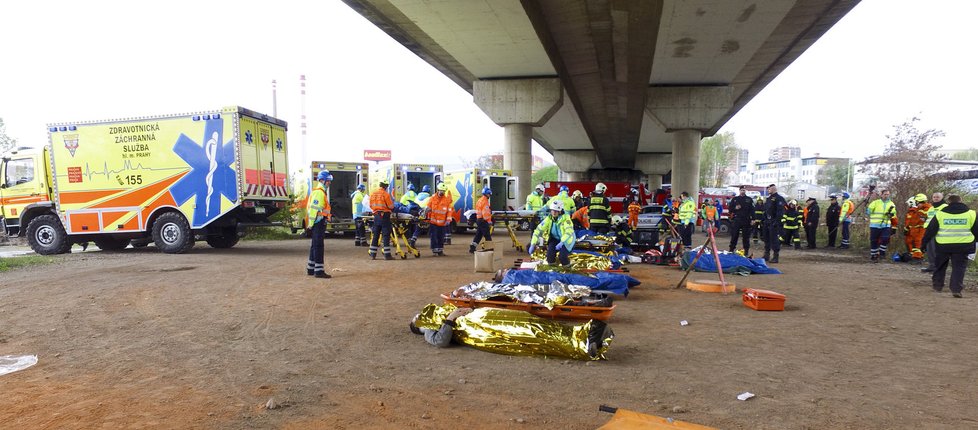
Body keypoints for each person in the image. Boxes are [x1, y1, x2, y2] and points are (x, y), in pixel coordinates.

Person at [409, 304, 613, 360]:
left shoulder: (436, 311)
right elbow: (440, 341)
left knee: (530, 320)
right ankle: (584, 345)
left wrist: (466, 310)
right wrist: (450, 319)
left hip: (482, 315)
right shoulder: (428, 327)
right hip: (480, 328)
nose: (418, 314)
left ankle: (586, 331)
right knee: (530, 332)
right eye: (415, 318)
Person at [920, 194, 977, 298]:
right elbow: (976, 230)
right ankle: (956, 289)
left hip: (943, 245)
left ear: (948, 202)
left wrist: (924, 243)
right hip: (963, 245)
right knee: (958, 268)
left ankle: (937, 286)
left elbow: (930, 230)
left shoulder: (940, 214)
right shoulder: (971, 214)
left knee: (940, 266)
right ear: (961, 200)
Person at [528, 199, 576, 266]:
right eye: (552, 210)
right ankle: (553, 271)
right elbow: (538, 230)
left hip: (567, 240)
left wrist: (562, 242)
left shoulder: (566, 219)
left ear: (560, 211)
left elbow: (569, 232)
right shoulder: (549, 218)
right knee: (550, 257)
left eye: (556, 211)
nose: (554, 212)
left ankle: (567, 270)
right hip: (555, 239)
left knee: (563, 257)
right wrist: (533, 244)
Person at [306, 170, 332, 278]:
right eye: (328, 181)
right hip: (318, 222)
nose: (329, 183)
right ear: (322, 180)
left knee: (315, 245)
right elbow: (314, 210)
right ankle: (319, 271)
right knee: (318, 246)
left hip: (318, 221)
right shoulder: (319, 192)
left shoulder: (319, 191)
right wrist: (312, 224)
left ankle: (311, 268)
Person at [866, 189, 897, 263]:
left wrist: (891, 214)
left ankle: (882, 253)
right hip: (874, 225)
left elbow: (894, 214)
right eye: (885, 194)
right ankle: (874, 255)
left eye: (888, 194)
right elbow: (868, 211)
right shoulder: (875, 202)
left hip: (886, 224)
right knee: (874, 240)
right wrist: (869, 211)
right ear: (881, 195)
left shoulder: (892, 204)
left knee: (885, 238)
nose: (886, 196)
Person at [369, 181, 395, 260]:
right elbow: (391, 206)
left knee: (376, 235)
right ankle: (387, 255)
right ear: (385, 187)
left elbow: (370, 205)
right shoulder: (385, 194)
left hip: (376, 215)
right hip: (384, 216)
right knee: (386, 235)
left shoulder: (373, 194)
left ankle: (373, 254)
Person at [426, 182, 453, 256]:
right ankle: (435, 251)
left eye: (444, 191)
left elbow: (449, 210)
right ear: (438, 190)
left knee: (441, 237)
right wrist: (426, 211)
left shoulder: (446, 200)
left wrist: (448, 219)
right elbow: (428, 207)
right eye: (441, 190)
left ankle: (440, 251)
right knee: (433, 236)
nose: (442, 192)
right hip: (433, 222)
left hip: (442, 223)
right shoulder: (432, 198)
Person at [922, 192, 947, 273]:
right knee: (930, 249)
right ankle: (932, 265)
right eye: (934, 197)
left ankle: (937, 267)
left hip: (938, 231)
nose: (936, 198)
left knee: (936, 250)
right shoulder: (931, 208)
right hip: (929, 231)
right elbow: (930, 218)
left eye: (938, 197)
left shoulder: (945, 207)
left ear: (942, 198)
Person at [763, 184, 787, 263]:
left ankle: (775, 256)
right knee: (766, 238)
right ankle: (766, 254)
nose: (768, 190)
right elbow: (766, 210)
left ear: (773, 189)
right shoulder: (769, 198)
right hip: (767, 221)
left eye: (769, 189)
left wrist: (776, 221)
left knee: (774, 239)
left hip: (774, 222)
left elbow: (780, 211)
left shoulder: (779, 198)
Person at [728, 186, 754, 254]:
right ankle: (731, 249)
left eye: (744, 190)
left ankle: (746, 250)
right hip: (737, 219)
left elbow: (752, 210)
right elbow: (730, 209)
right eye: (742, 190)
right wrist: (735, 208)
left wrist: (753, 219)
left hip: (746, 220)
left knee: (746, 236)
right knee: (734, 235)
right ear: (739, 191)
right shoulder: (735, 199)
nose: (743, 191)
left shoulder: (749, 199)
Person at [903, 194, 928, 260]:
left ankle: (917, 257)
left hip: (919, 229)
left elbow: (914, 221)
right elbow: (909, 222)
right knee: (912, 243)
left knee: (917, 243)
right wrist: (906, 228)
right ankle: (914, 256)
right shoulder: (913, 210)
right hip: (913, 229)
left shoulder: (923, 209)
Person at [469, 186, 493, 253]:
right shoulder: (485, 201)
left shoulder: (480, 200)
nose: (489, 196)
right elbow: (485, 213)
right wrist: (489, 221)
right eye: (489, 194)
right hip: (483, 220)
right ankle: (490, 248)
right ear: (486, 194)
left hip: (479, 220)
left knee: (478, 235)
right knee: (487, 235)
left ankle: (472, 247)